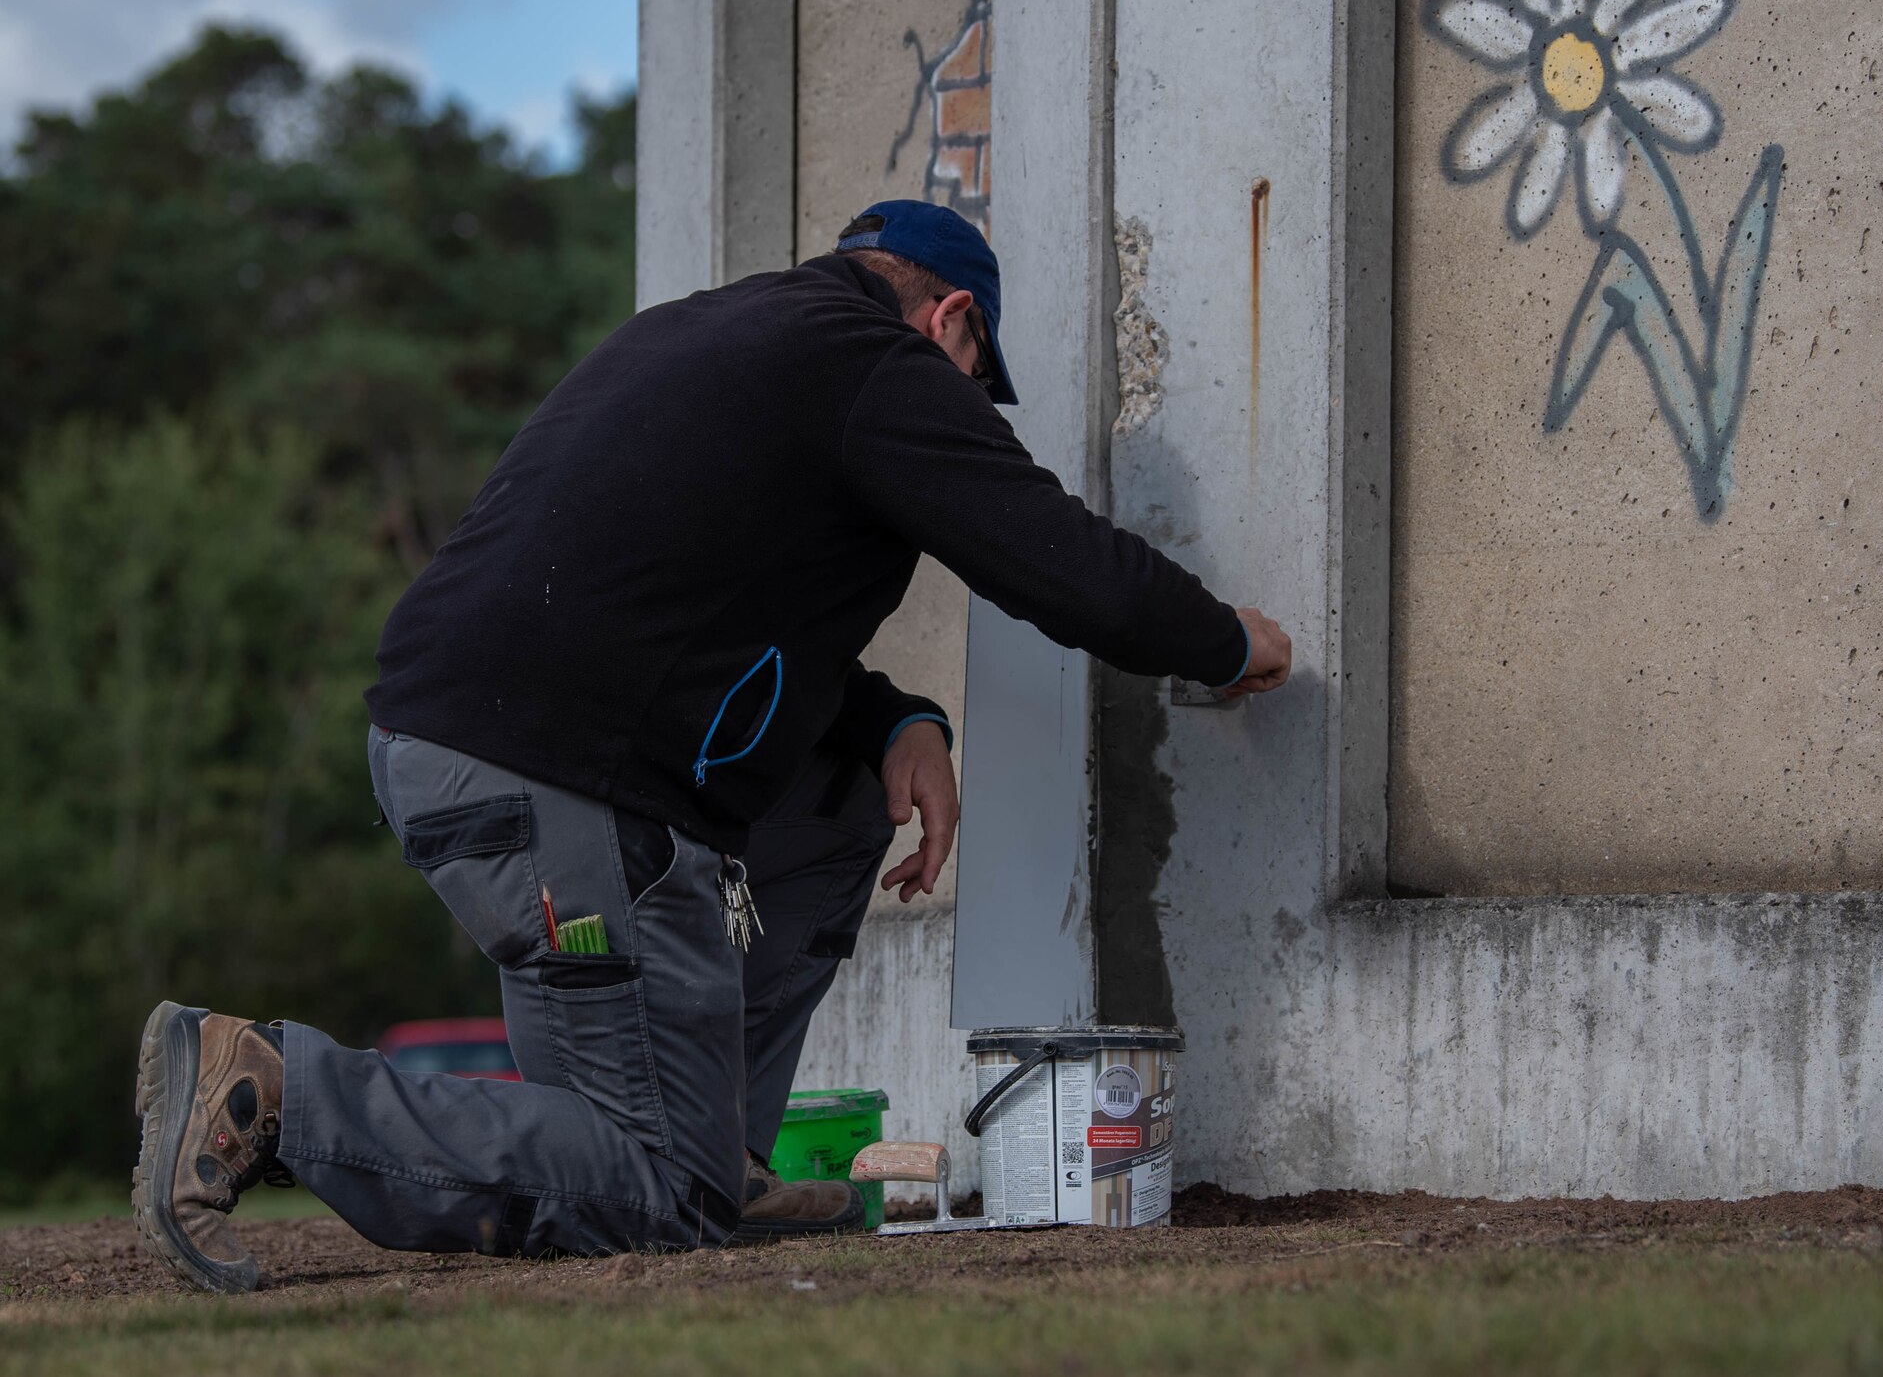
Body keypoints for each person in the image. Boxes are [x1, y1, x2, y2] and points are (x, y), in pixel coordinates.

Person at [131, 199, 1293, 1292]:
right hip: (557, 790)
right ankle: (280, 1095)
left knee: (841, 795)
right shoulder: (874, 363)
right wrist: (1225, 644)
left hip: (482, 758)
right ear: (952, 322)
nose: (960, 415)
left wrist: (899, 721)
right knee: (654, 1190)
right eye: (974, 390)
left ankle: (716, 1150)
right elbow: (1058, 561)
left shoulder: (722, 334)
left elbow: (697, 613)